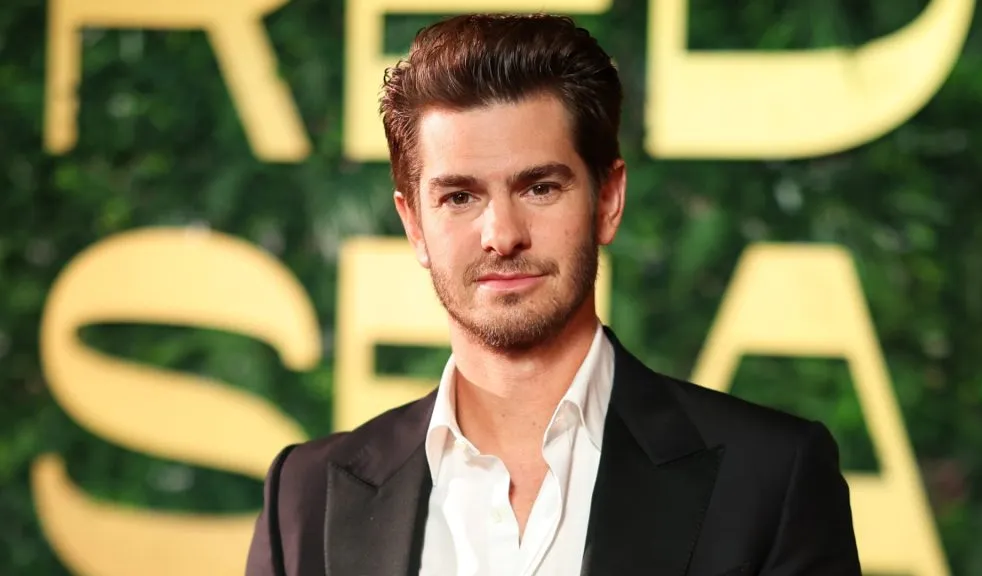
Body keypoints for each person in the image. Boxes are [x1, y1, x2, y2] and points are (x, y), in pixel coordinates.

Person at [245, 13, 861, 576]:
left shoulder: (772, 479)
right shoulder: (306, 496)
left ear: (609, 200)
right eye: (460, 197)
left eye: (539, 188)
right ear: (414, 224)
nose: (502, 236)